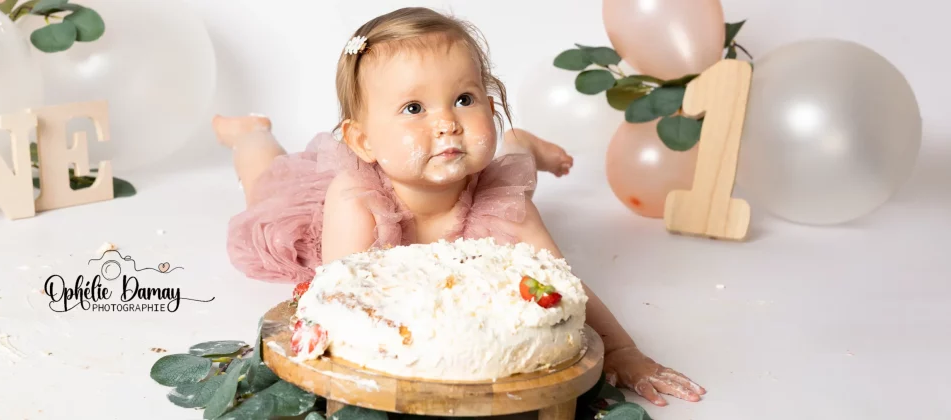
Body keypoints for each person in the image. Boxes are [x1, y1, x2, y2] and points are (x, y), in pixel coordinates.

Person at [213, 6, 705, 407]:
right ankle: (252, 135)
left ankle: (519, 146)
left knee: (506, 179)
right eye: (414, 109)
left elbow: (561, 282)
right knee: (265, 188)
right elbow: (345, 303)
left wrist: (622, 350)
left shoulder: (497, 201)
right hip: (319, 205)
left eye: (465, 98)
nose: (447, 122)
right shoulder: (354, 198)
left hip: (472, 188)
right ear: (362, 140)